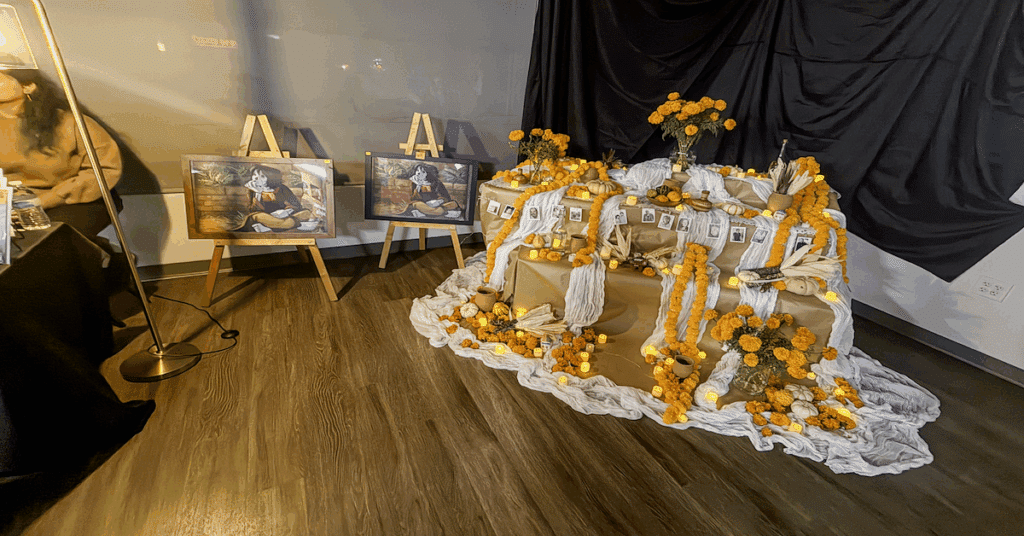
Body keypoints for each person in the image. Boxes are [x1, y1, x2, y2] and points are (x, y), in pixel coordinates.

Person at [0, 69, 123, 241]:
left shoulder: (69, 123)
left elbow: (104, 170)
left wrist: (46, 200)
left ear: (28, 86)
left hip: (78, 198)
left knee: (46, 242)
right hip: (17, 203)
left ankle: (108, 260)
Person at [234, 164, 315, 232]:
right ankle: (284, 225)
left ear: (270, 178)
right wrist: (258, 192)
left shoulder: (281, 188)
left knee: (306, 212)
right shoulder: (251, 190)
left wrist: (287, 210)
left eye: (262, 176)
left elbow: (296, 206)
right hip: (265, 217)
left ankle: (273, 226)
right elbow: (255, 210)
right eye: (254, 175)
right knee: (259, 216)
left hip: (284, 216)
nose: (255, 178)